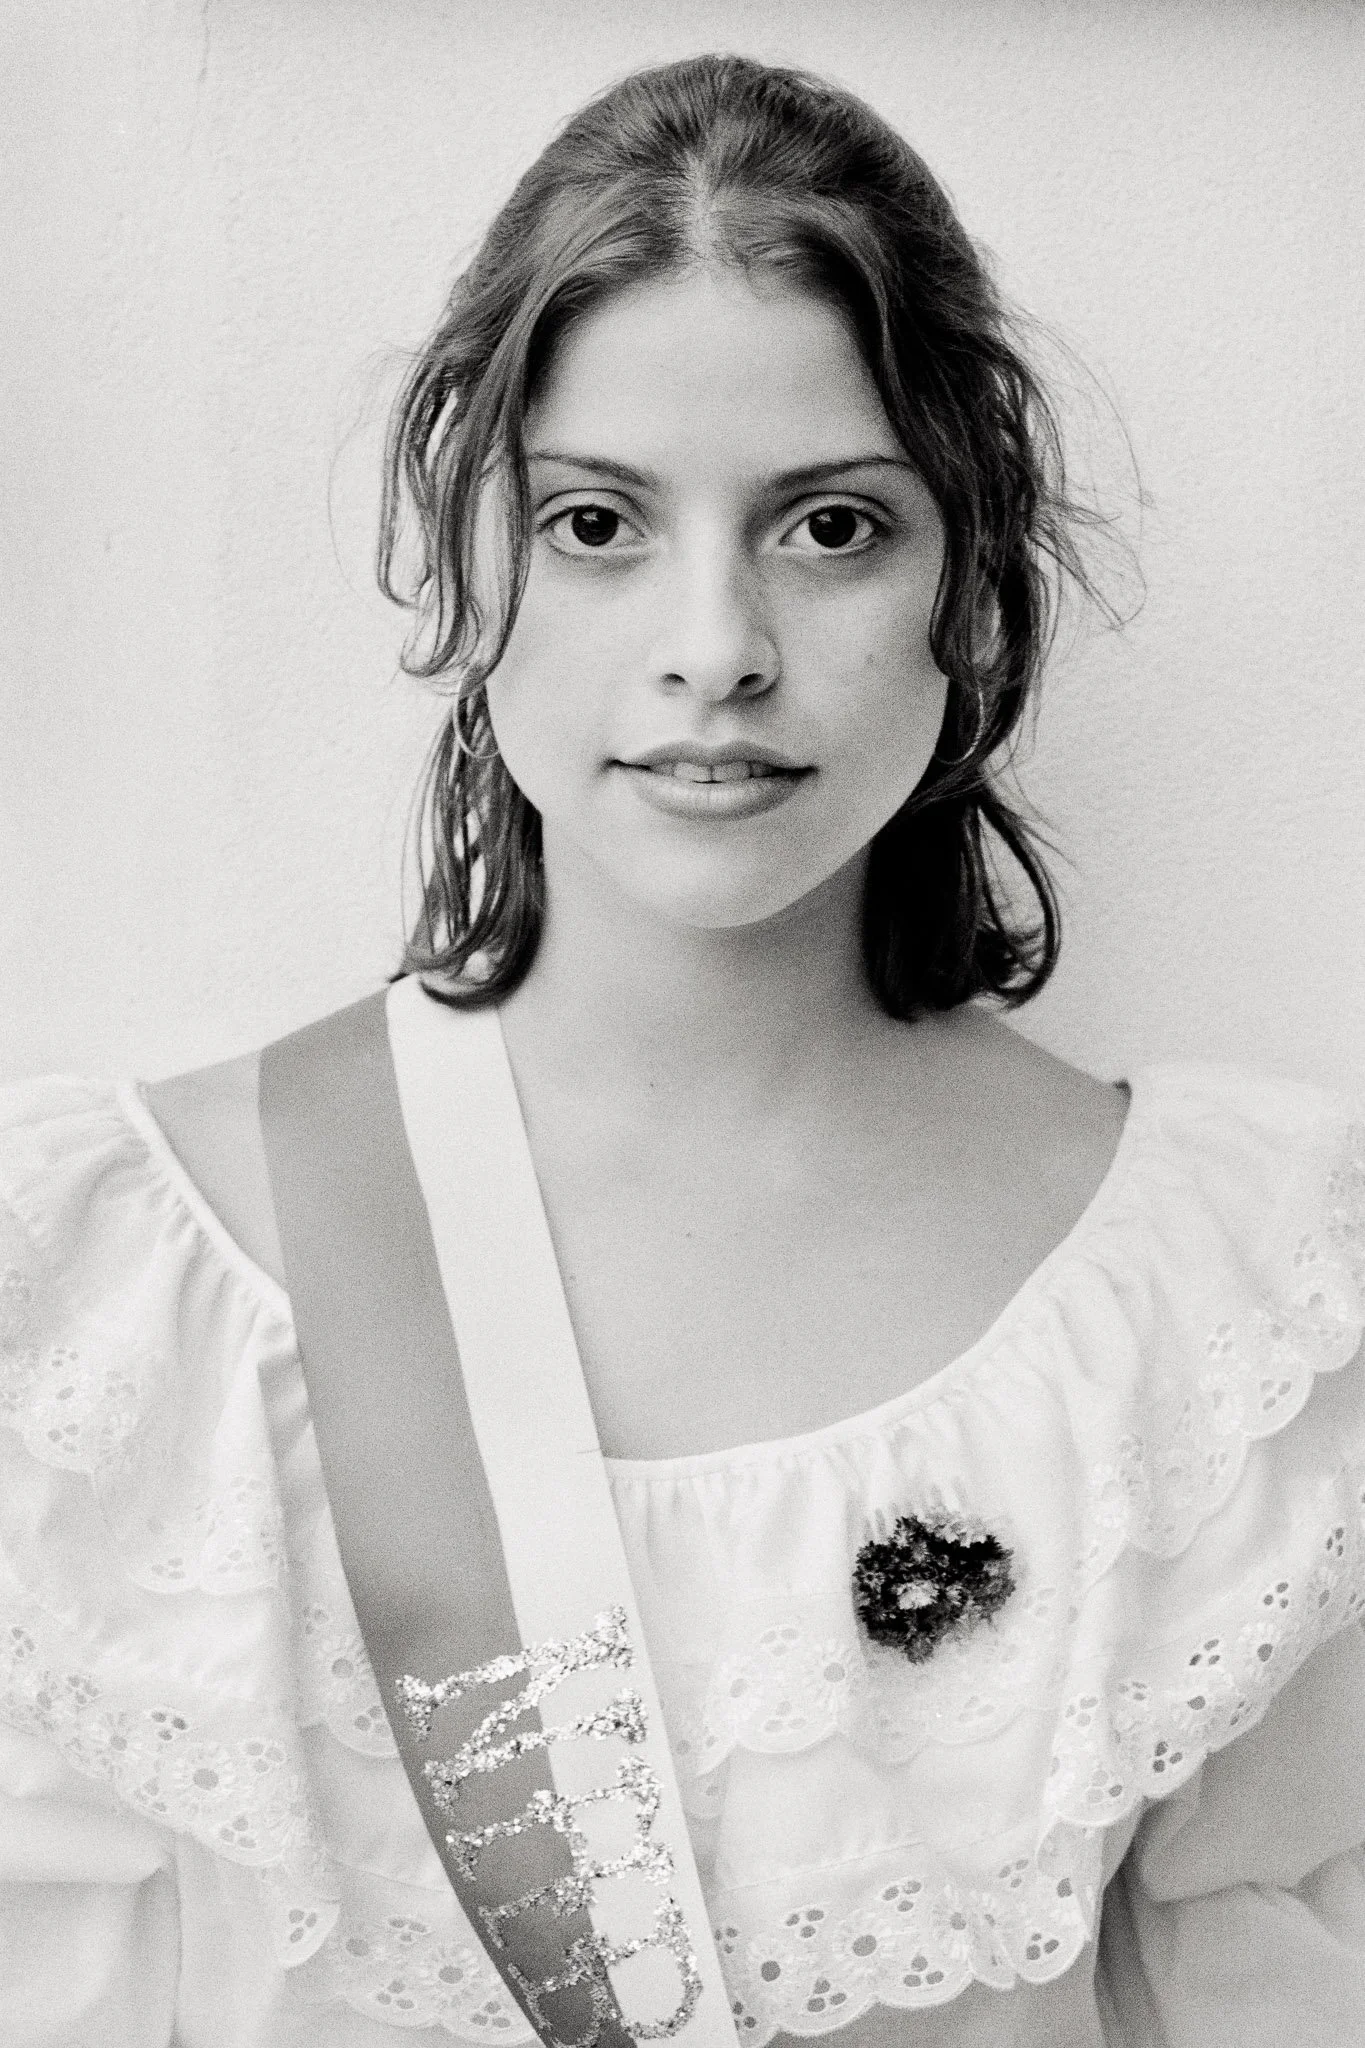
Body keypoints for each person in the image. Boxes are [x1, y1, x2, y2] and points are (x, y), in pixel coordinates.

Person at [2, 50, 1363, 2048]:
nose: (714, 640)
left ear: (964, 590)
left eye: (826, 524)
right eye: (595, 521)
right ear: (469, 568)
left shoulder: (1230, 1307)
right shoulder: (120, 1308)